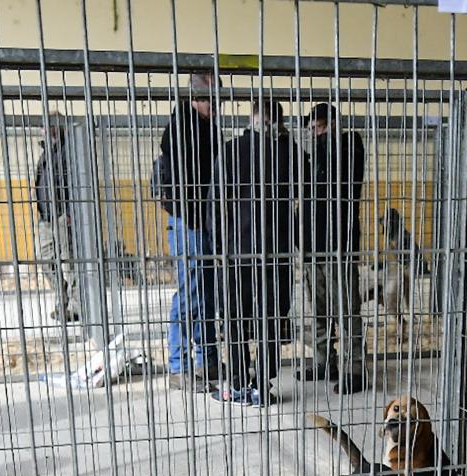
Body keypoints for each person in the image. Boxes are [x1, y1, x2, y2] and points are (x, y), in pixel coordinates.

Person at [218, 97, 300, 407]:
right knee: (270, 317)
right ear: (277, 123)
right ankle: (261, 384)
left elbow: (215, 202)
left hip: (237, 250)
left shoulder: (230, 151)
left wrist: (221, 246)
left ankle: (238, 383)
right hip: (274, 250)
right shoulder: (286, 152)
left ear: (250, 117)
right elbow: (304, 183)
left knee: (237, 317)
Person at [153, 73, 222, 391]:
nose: (217, 103)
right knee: (190, 295)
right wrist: (197, 218)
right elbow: (187, 181)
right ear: (198, 96)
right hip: (189, 222)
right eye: (212, 96)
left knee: (206, 293)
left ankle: (206, 361)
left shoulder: (205, 128)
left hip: (202, 223)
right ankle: (179, 367)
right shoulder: (183, 128)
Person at [299, 102, 366, 394]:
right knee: (318, 310)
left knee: (347, 311)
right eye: (311, 130)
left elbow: (339, 173)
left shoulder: (349, 145)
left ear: (334, 126)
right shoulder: (314, 157)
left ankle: (354, 369)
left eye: (320, 128)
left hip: (340, 243)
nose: (315, 135)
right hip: (314, 244)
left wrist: (328, 137)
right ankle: (325, 360)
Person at [33, 121, 82, 324]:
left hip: (63, 214)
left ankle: (76, 307)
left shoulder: (69, 149)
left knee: (69, 261)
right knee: (44, 258)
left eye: (46, 125)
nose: (43, 129)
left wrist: (71, 211)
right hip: (46, 216)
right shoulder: (47, 152)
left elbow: (78, 180)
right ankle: (62, 297)